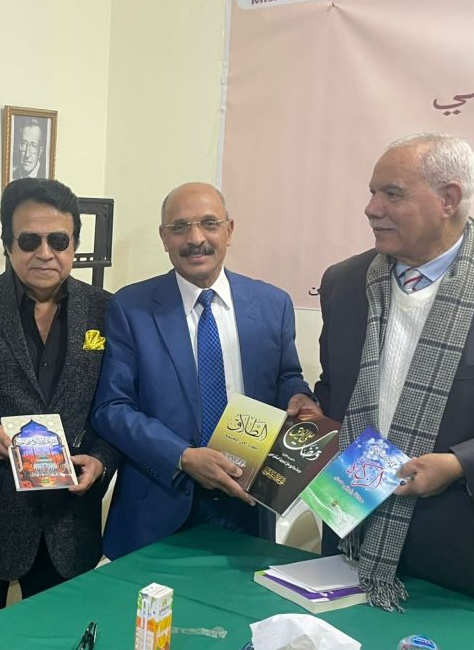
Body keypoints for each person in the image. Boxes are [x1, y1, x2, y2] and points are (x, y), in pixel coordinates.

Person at [315, 132, 474, 612]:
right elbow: (339, 391)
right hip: (353, 537)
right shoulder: (343, 283)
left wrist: (462, 464)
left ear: (448, 199)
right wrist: (312, 408)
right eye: (372, 192)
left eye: (392, 193)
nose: (371, 208)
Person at [92, 182, 317, 559]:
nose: (195, 239)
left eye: (209, 223)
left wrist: (299, 396)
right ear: (164, 237)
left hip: (248, 504)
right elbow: (111, 408)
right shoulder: (130, 307)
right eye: (179, 227)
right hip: (160, 501)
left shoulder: (272, 304)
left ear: (229, 230)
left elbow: (285, 378)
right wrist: (182, 456)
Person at [0, 177, 116, 630]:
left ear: (74, 245)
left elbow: (117, 406)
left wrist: (101, 459)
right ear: (7, 243)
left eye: (58, 240)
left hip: (69, 521)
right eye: (29, 240)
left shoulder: (106, 310)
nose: (45, 253)